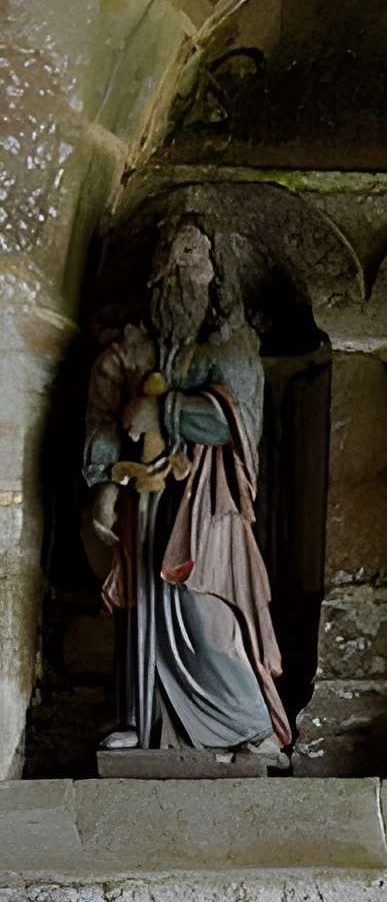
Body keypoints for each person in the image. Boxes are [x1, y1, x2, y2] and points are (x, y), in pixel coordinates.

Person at [83, 214, 289, 757]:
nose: (180, 267)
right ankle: (144, 717)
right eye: (170, 257)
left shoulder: (232, 349)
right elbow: (104, 417)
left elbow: (237, 423)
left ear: (215, 274)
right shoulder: (130, 351)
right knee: (145, 606)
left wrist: (165, 409)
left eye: (194, 255)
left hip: (210, 504)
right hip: (145, 501)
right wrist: (104, 483)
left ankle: (251, 724)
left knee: (207, 610)